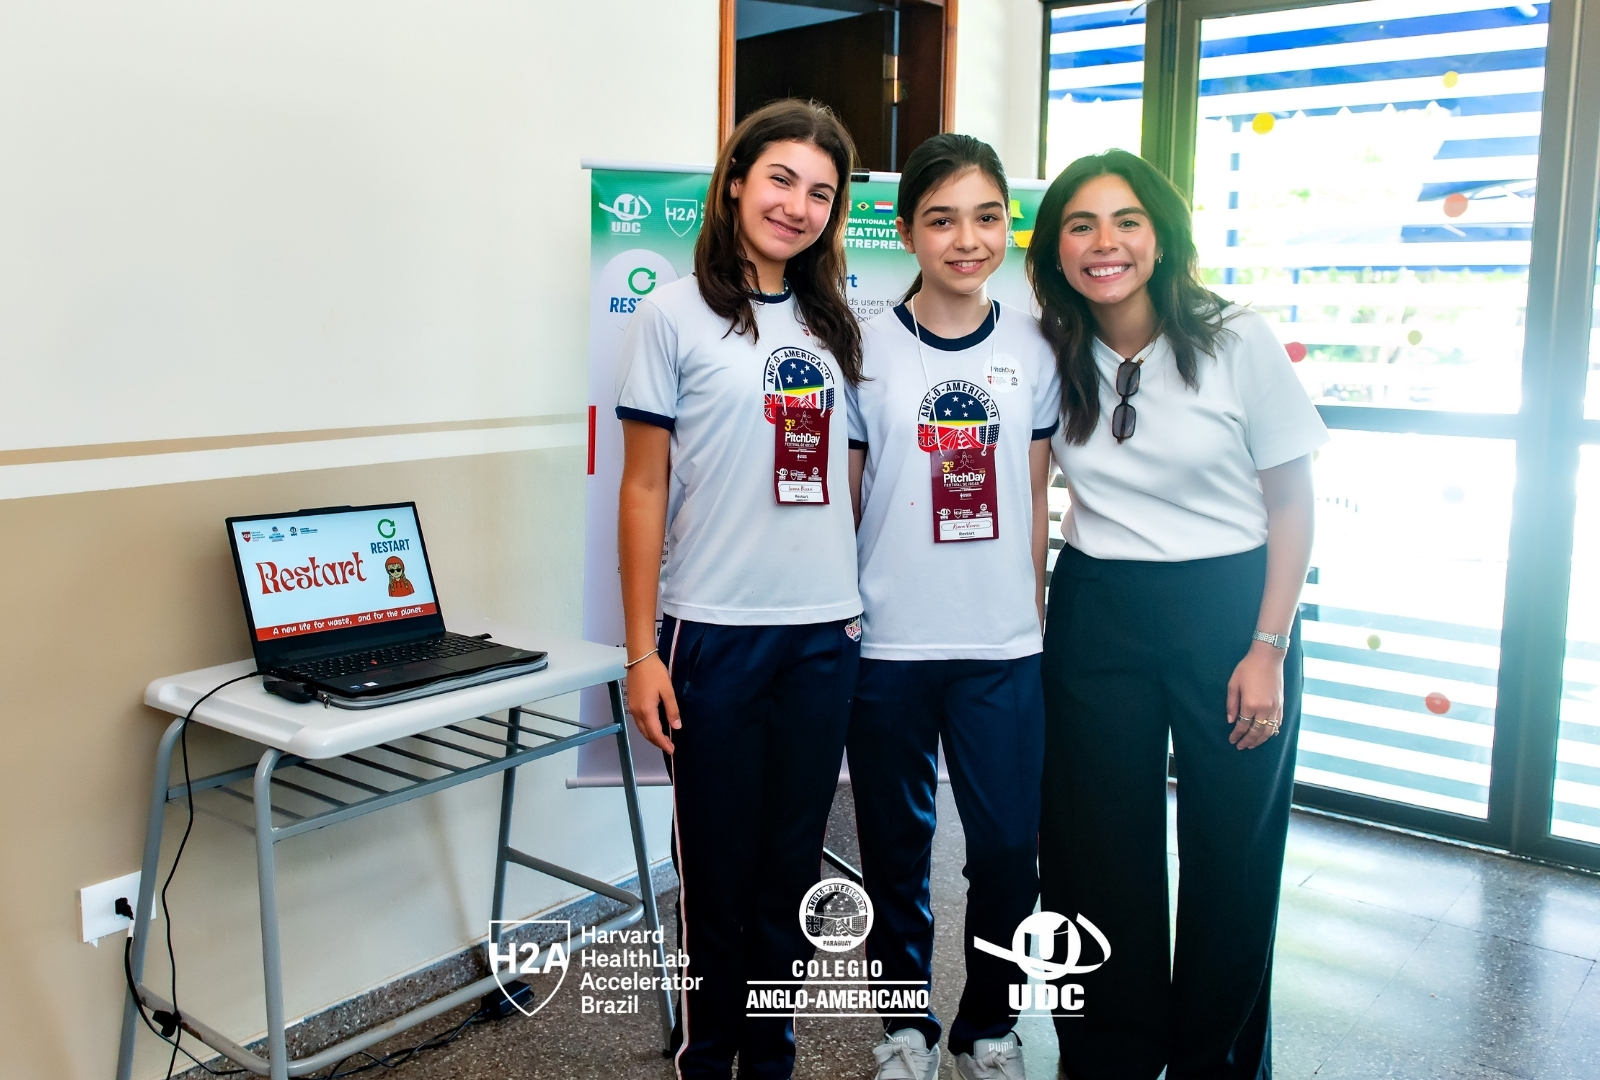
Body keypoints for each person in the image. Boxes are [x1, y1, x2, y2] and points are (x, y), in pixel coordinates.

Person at [1025, 149, 1327, 1079]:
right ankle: (1109, 1054)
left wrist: (1268, 647)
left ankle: (1218, 1061)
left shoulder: (1236, 338)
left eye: (1127, 222)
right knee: (1094, 848)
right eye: (1081, 225)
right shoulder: (1051, 348)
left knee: (1232, 851)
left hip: (1233, 611)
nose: (1104, 243)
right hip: (1099, 608)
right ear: (1056, 248)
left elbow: (1292, 504)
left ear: (1161, 237)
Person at [614, 99, 864, 1080]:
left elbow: (850, 479)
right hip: (712, 634)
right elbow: (643, 489)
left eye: (820, 193)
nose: (797, 206)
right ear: (733, 184)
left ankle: (771, 1057)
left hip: (823, 636)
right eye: (780, 180)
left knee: (790, 869)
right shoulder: (673, 315)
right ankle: (706, 1058)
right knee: (716, 875)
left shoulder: (837, 324)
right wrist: (642, 652)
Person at [846, 133, 1058, 1080]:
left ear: (1008, 225)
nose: (966, 239)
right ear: (906, 232)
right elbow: (850, 495)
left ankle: (988, 1025)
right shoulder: (861, 345)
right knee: (895, 849)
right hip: (888, 642)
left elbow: (1036, 491)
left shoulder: (1037, 344)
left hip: (1001, 643)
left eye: (986, 217)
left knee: (1009, 847)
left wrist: (1032, 611)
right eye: (941, 219)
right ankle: (905, 1027)